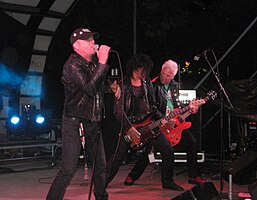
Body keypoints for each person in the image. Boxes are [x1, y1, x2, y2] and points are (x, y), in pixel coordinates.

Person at [46, 27, 120, 200]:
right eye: (89, 40)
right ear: (77, 46)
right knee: (68, 169)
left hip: (92, 121)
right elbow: (89, 88)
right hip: (74, 120)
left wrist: (111, 88)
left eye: (93, 39)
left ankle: (101, 197)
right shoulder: (72, 65)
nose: (93, 42)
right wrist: (103, 63)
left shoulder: (92, 64)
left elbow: (97, 86)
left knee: (100, 166)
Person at [106, 53, 184, 191]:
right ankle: (102, 182)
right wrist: (128, 127)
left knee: (168, 150)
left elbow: (152, 106)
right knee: (118, 157)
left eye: (144, 70)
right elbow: (118, 111)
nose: (141, 73)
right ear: (133, 68)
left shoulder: (147, 82)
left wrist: (163, 118)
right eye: (138, 69)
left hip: (149, 124)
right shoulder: (123, 85)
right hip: (130, 126)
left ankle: (168, 181)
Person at [124, 59, 206, 186]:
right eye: (164, 74)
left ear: (173, 76)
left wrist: (192, 109)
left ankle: (194, 176)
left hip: (175, 122)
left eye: (169, 76)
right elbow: (151, 108)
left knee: (192, 143)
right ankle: (133, 175)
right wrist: (164, 120)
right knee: (150, 149)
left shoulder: (176, 86)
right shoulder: (152, 85)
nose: (165, 77)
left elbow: (179, 106)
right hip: (158, 122)